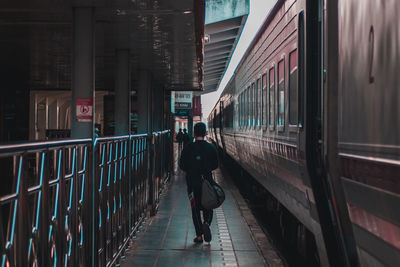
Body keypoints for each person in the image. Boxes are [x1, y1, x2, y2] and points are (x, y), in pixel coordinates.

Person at [179, 122, 218, 243]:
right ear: (206, 133)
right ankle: (206, 223)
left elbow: (182, 166)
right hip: (207, 182)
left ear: (193, 133)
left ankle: (199, 235)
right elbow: (215, 165)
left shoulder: (188, 148)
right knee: (208, 205)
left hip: (192, 182)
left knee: (194, 208)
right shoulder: (211, 148)